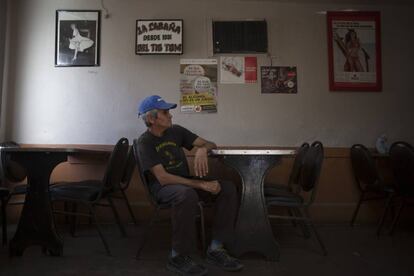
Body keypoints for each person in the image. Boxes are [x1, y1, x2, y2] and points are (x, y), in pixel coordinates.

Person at [137, 95, 243, 275]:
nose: (170, 116)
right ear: (151, 119)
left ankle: (217, 248)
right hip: (162, 188)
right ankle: (177, 256)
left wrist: (202, 149)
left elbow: (210, 143)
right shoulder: (145, 142)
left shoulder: (176, 131)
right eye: (165, 112)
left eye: (169, 112)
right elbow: (163, 178)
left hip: (185, 183)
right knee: (186, 194)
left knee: (227, 188)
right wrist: (200, 184)